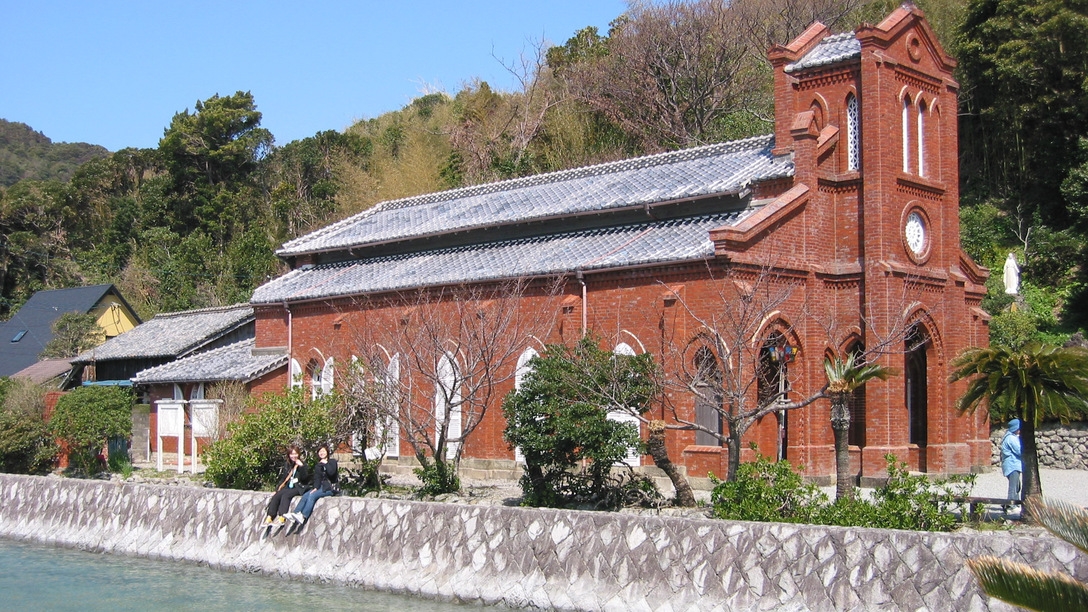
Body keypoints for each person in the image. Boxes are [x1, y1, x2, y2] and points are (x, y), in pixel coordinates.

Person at [286, 444, 338, 525]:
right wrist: (315, 488)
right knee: (306, 495)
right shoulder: (318, 465)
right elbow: (317, 478)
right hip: (321, 487)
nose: (322, 453)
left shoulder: (332, 462)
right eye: (320, 452)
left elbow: (331, 473)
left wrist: (326, 464)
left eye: (323, 451)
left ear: (327, 452)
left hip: (330, 488)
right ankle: (296, 513)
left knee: (312, 496)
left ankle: (304, 516)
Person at [260, 445, 309, 528]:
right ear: (288, 455)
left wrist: (301, 467)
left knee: (286, 496)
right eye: (291, 454)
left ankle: (282, 517)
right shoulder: (287, 464)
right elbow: (283, 478)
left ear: (298, 454)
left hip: (298, 487)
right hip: (289, 486)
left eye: (295, 454)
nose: (293, 456)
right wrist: (277, 489)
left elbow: (305, 478)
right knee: (277, 495)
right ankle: (270, 517)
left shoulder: (303, 464)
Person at [1001, 419, 1022, 512]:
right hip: (1012, 465)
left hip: (1012, 465)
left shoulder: (1010, 437)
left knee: (1017, 485)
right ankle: (1010, 506)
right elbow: (1019, 450)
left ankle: (1015, 503)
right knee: (1013, 487)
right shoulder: (1011, 438)